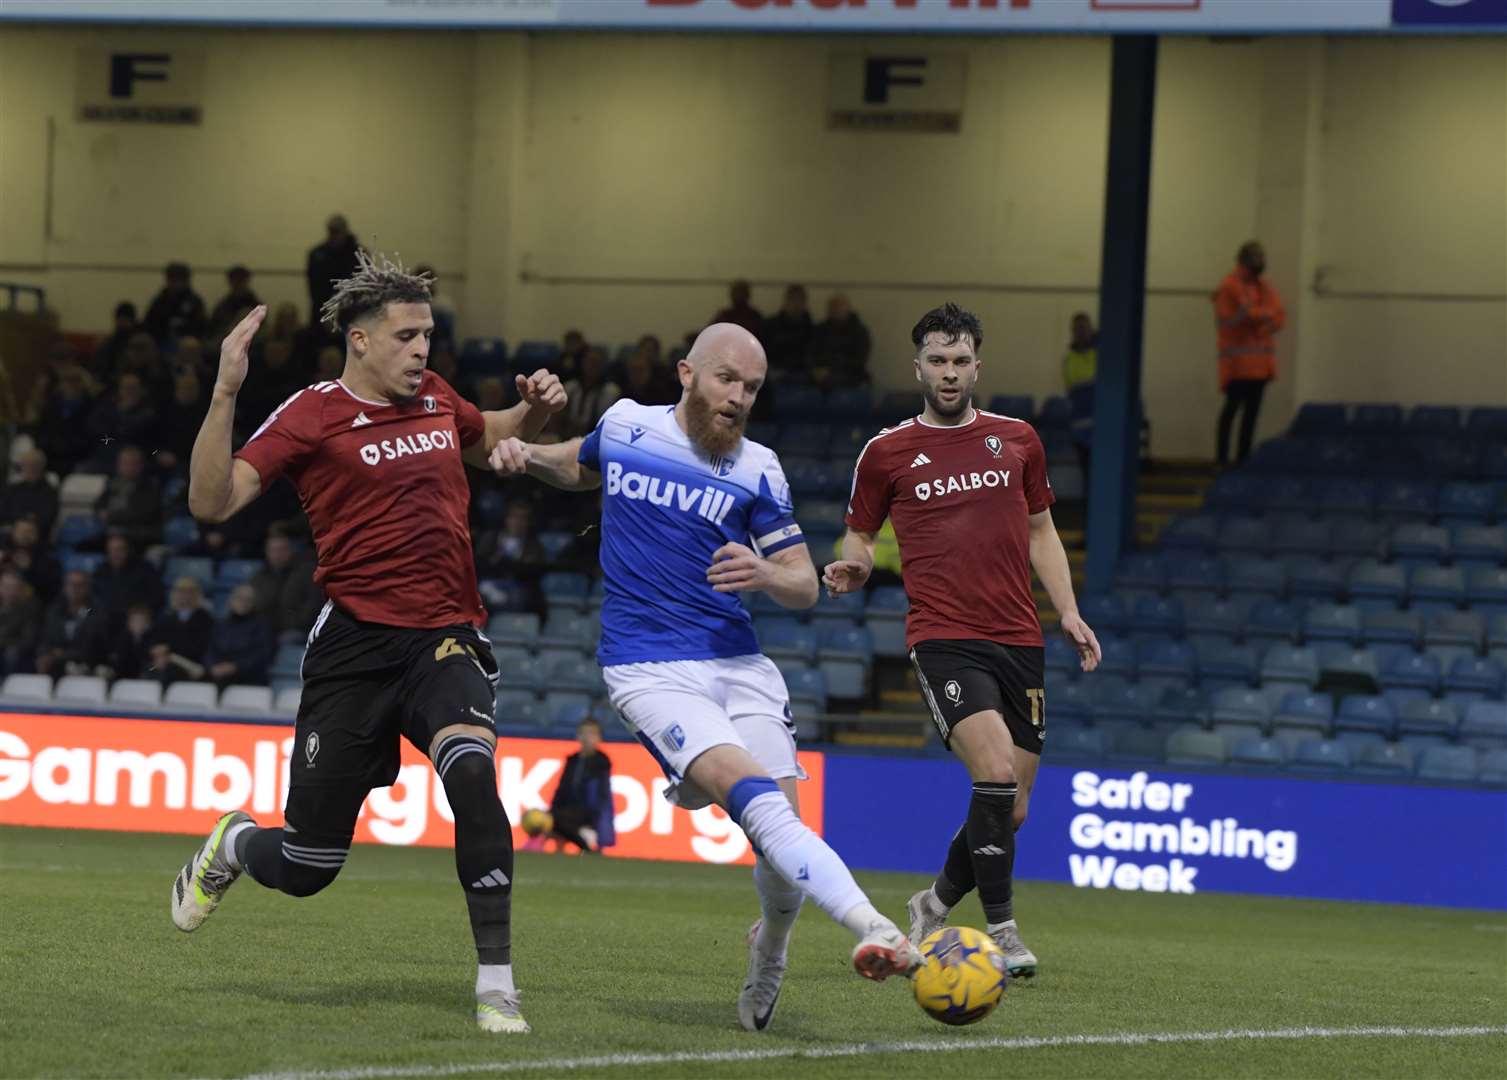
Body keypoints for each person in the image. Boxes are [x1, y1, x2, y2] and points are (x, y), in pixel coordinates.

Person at [169, 251, 566, 1036]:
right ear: (359, 339)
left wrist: (539, 412)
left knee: (475, 777)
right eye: (408, 335)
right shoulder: (310, 414)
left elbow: (492, 444)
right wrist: (223, 390)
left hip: (443, 639)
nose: (424, 349)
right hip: (352, 651)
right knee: (309, 869)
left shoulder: (436, 399)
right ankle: (239, 843)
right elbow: (212, 502)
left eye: (428, 335)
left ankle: (496, 987)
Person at [488, 321, 920, 1035]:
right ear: (686, 374)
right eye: (727, 380)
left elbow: (803, 585)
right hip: (650, 668)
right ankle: (876, 928)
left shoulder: (758, 467)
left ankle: (769, 949)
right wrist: (527, 452)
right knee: (759, 806)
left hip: (740, 666)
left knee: (780, 842)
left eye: (750, 388)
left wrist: (766, 573)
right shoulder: (625, 423)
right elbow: (581, 464)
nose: (738, 398)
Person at [825, 302, 1101, 981]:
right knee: (996, 777)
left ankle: (933, 901)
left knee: (1016, 806)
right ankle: (1002, 931)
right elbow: (858, 532)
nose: (948, 373)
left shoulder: (1018, 441)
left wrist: (1066, 610)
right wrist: (855, 561)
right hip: (944, 637)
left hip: (1019, 637)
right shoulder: (885, 451)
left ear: (977, 365)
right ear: (917, 365)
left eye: (959, 361)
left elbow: (1041, 531)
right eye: (936, 361)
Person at [1213, 241, 1285, 466]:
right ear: (1244, 260)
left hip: (1261, 366)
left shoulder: (1264, 286)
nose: (1261, 262)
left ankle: (1242, 460)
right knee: (1231, 412)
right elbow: (1244, 317)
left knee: (1250, 417)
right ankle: (1221, 460)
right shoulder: (1230, 286)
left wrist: (1261, 319)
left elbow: (1279, 316)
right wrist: (1264, 317)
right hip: (1238, 365)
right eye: (1257, 258)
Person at [545, 716, 615, 853]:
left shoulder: (601, 762)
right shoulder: (573, 760)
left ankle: (586, 844)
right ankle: (581, 840)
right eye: (584, 733)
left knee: (558, 819)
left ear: (599, 738)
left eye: (591, 734)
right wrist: (553, 808)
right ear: (578, 736)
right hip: (567, 808)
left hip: (586, 811)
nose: (587, 737)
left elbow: (601, 795)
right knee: (546, 817)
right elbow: (561, 788)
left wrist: (597, 820)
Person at [249, 529, 323, 637]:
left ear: (290, 550)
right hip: (265, 631)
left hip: (297, 630)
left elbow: (313, 604)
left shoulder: (306, 572)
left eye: (282, 549)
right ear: (267, 552)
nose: (277, 554)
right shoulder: (259, 576)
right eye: (273, 550)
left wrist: (297, 624)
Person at [35, 570, 109, 677]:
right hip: (56, 661)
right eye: (71, 584)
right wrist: (45, 654)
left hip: (87, 662)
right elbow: (45, 637)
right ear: (65, 587)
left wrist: (60, 655)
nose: (75, 589)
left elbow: (91, 646)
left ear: (88, 588)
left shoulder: (96, 611)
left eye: (80, 585)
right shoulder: (55, 610)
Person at [204, 584, 276, 687]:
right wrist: (212, 666)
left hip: (249, 677)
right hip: (219, 674)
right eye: (239, 598)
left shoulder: (262, 626)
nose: (243, 603)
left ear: (254, 603)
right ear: (230, 600)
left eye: (248, 599)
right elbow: (210, 649)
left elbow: (263, 654)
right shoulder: (221, 624)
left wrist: (235, 666)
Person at [148, 576, 215, 684]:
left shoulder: (205, 619)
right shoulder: (166, 617)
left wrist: (169, 650)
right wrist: (156, 650)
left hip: (192, 665)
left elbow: (201, 647)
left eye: (190, 592)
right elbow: (155, 639)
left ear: (197, 595)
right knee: (150, 669)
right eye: (181, 591)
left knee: (168, 673)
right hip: (164, 662)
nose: (185, 595)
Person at [95, 445, 163, 548]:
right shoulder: (113, 483)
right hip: (112, 532)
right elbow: (98, 505)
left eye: (131, 464)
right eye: (124, 463)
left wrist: (111, 516)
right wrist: (101, 513)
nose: (127, 467)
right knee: (82, 546)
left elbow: (141, 514)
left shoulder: (149, 487)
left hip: (137, 535)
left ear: (140, 466)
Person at [92, 533, 162, 628]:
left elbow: (156, 596)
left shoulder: (145, 569)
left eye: (119, 549)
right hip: (107, 620)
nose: (115, 554)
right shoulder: (101, 571)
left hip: (135, 619)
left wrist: (140, 612)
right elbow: (94, 597)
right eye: (112, 550)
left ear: (128, 550)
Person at [306, 214, 361, 326]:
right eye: (332, 232)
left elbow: (361, 286)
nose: (334, 236)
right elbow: (314, 288)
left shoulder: (358, 255)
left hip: (350, 310)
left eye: (337, 232)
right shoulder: (317, 254)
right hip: (323, 308)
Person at [807, 293, 871, 390]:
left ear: (848, 309)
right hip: (820, 374)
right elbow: (810, 352)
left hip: (849, 375)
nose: (836, 311)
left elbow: (859, 360)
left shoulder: (860, 332)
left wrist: (831, 370)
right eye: (833, 308)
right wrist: (814, 369)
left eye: (840, 308)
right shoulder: (820, 330)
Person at [561, 347, 621, 438]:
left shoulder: (612, 392)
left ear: (603, 365)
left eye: (596, 363)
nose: (592, 366)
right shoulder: (570, 387)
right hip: (567, 436)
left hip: (598, 438)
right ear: (582, 364)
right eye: (589, 362)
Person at [143, 262, 208, 344]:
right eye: (173, 278)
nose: (176, 283)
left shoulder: (194, 301)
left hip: (186, 341)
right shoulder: (160, 300)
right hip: (161, 341)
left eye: (180, 279)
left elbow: (201, 326)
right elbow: (149, 323)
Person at [1, 449, 59, 538]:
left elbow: (47, 518)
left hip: (37, 535)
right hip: (11, 530)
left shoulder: (49, 492)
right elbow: (4, 511)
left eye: (33, 465)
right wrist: (19, 520)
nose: (28, 469)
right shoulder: (13, 489)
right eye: (25, 465)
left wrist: (27, 522)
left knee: (26, 531)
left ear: (41, 467)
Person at [761, 285, 813, 380]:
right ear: (786, 302)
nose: (796, 304)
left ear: (805, 303)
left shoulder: (811, 329)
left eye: (800, 300)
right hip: (776, 372)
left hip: (803, 374)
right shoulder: (770, 326)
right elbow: (763, 353)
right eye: (793, 300)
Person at [5, 517, 61, 605]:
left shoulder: (47, 557)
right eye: (20, 531)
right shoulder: (5, 550)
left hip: (32, 605)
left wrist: (29, 569)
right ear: (13, 532)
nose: (24, 535)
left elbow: (50, 590)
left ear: (37, 534)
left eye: (29, 531)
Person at [209, 266, 262, 345]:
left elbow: (261, 328)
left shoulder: (255, 305)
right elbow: (213, 327)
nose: (238, 283)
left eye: (241, 280)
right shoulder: (222, 305)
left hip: (250, 341)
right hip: (226, 340)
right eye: (235, 280)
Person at [0, 569, 39, 675]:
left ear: (21, 589)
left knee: (11, 653)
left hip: (13, 652)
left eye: (14, 587)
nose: (10, 591)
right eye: (7, 587)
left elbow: (27, 640)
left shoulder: (29, 610)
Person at [92, 302, 141, 382]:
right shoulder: (110, 342)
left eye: (125, 320)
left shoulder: (138, 342)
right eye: (120, 320)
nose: (121, 323)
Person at [1063, 312, 1097, 391]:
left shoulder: (1100, 354)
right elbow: (1070, 387)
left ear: (1091, 330)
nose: (1080, 333)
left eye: (1083, 328)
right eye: (1076, 329)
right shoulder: (1068, 359)